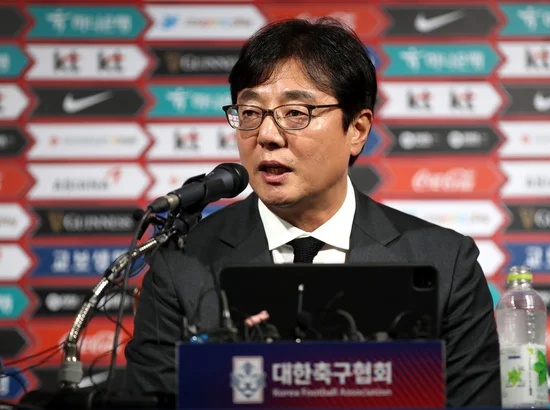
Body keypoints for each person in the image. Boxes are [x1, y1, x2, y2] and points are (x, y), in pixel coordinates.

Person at [125, 17, 500, 407]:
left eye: (295, 113)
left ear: (357, 129)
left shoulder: (444, 263)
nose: (267, 135)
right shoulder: (182, 265)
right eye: (250, 112)